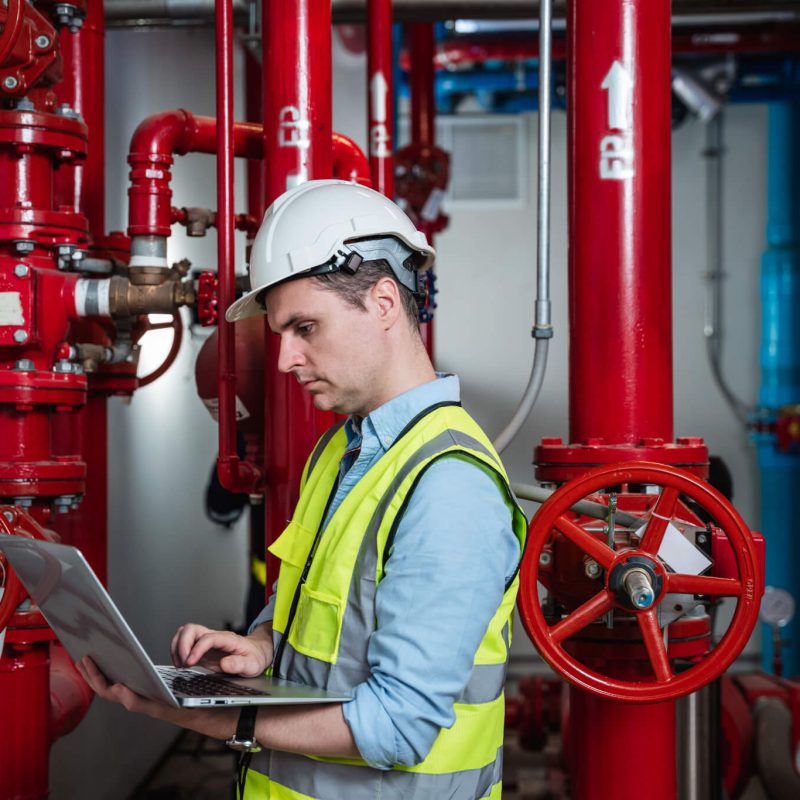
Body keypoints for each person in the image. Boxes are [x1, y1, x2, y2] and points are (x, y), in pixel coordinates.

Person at [78, 180, 528, 800]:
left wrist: (194, 713)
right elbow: (320, 613)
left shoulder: (447, 485)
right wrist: (261, 647)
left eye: (305, 327)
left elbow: (398, 726)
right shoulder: (341, 451)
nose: (286, 359)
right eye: (282, 332)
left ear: (385, 302)